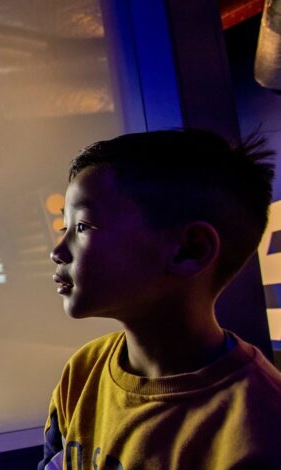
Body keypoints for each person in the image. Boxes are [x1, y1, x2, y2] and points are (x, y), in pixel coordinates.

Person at [40, 129, 281, 469]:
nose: (57, 251)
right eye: (64, 227)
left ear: (189, 250)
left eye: (82, 226)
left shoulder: (259, 430)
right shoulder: (83, 369)